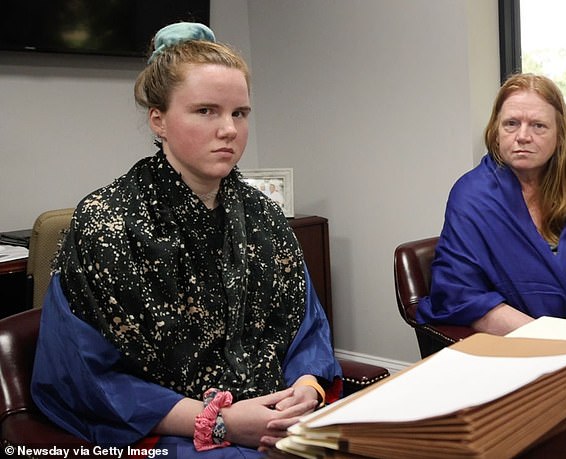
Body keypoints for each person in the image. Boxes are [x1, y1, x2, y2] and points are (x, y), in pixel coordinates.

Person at [31, 22, 341, 458]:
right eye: (206, 111)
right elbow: (88, 374)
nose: (230, 129)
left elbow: (303, 327)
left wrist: (306, 388)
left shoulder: (264, 215)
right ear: (158, 119)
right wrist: (219, 422)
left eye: (240, 113)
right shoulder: (106, 224)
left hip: (279, 411)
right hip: (172, 427)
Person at [417, 73, 566, 336]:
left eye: (538, 126)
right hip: (518, 344)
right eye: (511, 123)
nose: (522, 136)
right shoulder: (471, 196)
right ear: (496, 132)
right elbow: (460, 295)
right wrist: (554, 339)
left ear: (560, 135)